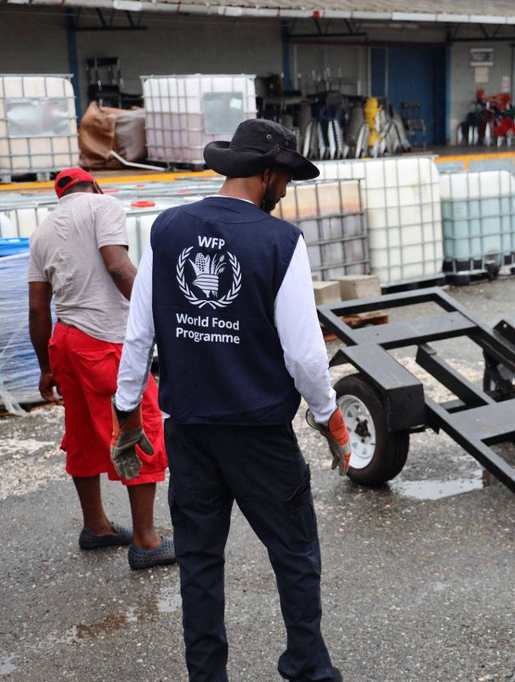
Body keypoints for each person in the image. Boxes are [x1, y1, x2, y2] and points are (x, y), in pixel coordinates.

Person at [112, 119, 358, 682]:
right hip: (259, 435)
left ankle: (207, 675)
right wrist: (330, 419)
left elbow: (139, 333)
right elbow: (304, 355)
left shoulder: (167, 228)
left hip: (189, 431)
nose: (286, 191)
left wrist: (126, 413)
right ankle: (307, 668)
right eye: (286, 178)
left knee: (199, 562)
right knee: (294, 553)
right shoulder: (280, 242)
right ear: (267, 173)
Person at [27, 167, 175, 570]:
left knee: (82, 433)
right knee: (138, 427)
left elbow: (38, 307)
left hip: (65, 342)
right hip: (105, 342)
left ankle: (97, 527)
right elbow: (118, 267)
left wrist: (45, 367)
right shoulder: (103, 205)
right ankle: (146, 541)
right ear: (93, 184)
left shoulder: (41, 232)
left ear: (60, 195)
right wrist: (161, 317)